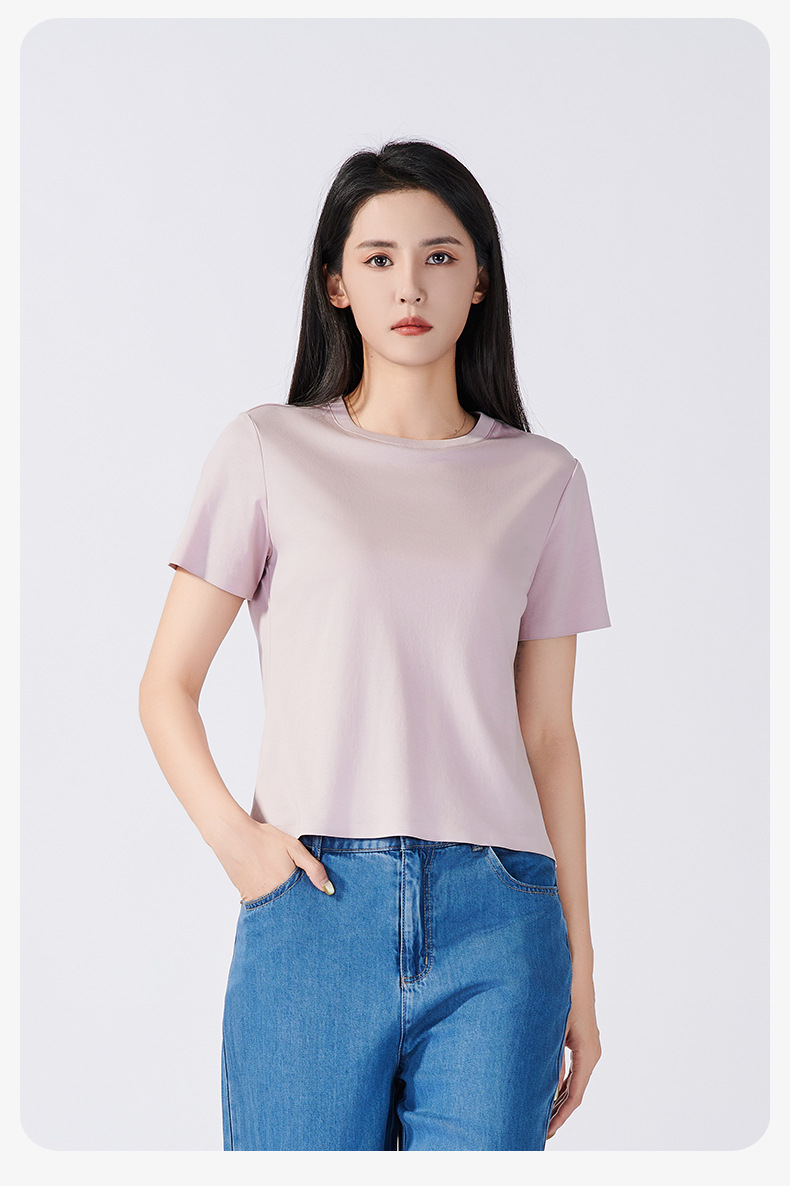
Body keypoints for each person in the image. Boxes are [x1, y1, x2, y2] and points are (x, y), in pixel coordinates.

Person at [138, 139, 612, 1152]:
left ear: (479, 280)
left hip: (502, 919)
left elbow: (547, 735)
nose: (410, 285)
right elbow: (167, 685)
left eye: (440, 256)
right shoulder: (268, 448)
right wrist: (238, 845)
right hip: (314, 903)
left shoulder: (544, 479)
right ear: (336, 284)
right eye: (380, 257)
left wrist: (580, 966)